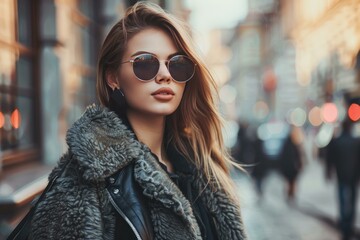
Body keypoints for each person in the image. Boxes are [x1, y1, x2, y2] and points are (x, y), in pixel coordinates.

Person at [28, 2, 247, 240]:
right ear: (113, 77)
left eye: (177, 64)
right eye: (145, 63)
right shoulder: (85, 181)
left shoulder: (202, 170)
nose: (164, 75)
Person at [326, 118, 360, 240]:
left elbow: (329, 160)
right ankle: (349, 224)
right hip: (354, 177)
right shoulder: (356, 141)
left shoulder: (337, 141)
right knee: (352, 201)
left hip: (341, 176)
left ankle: (345, 224)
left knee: (342, 200)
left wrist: (328, 173)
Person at [278, 125, 303, 202]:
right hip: (290, 167)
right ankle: (290, 194)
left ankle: (291, 194)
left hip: (291, 167)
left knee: (291, 182)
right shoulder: (290, 144)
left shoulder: (290, 144)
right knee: (290, 182)